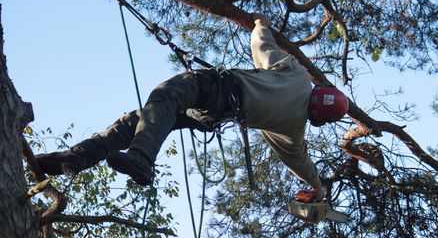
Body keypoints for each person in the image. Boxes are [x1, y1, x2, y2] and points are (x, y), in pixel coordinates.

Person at [36, 14, 348, 202]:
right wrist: (317, 187)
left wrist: (260, 24)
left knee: (164, 97)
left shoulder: (297, 77)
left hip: (215, 88)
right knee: (146, 118)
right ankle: (78, 158)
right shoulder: (292, 129)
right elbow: (301, 162)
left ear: (320, 90)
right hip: (213, 116)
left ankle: (141, 159)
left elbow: (262, 48)